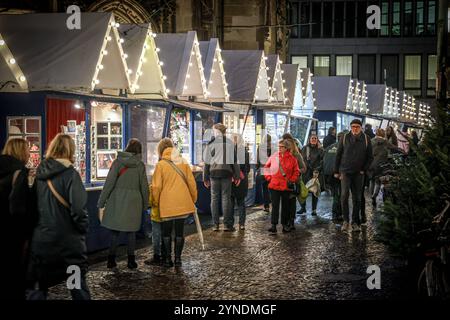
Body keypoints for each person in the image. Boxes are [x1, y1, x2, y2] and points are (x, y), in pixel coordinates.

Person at [29, 134, 90, 300]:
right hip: (68, 247)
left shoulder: (39, 175)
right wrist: (82, 229)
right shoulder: (71, 175)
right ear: (71, 150)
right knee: (76, 286)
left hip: (42, 243)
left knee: (39, 288)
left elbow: (32, 207)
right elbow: (78, 210)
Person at [98, 138, 149, 270]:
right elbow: (144, 187)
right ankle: (131, 261)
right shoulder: (140, 165)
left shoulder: (117, 163)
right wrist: (145, 205)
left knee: (115, 232)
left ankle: (111, 260)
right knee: (131, 233)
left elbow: (109, 184)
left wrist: (101, 202)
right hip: (134, 202)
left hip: (117, 200)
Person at [151, 138, 197, 267]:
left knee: (166, 232)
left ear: (160, 150)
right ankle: (178, 259)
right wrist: (193, 199)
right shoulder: (183, 162)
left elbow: (156, 187)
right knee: (179, 232)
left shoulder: (160, 165)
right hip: (182, 203)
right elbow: (192, 184)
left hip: (166, 205)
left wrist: (155, 201)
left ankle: (167, 259)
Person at [0, 138, 37, 299]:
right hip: (13, 232)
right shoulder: (19, 172)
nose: (29, 153)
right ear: (21, 151)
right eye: (27, 149)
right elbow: (19, 208)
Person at [334, 119, 373, 233]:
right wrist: (336, 171)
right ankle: (346, 221)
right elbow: (338, 154)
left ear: (361, 127)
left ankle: (355, 222)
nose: (355, 129)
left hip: (358, 174)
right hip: (345, 172)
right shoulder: (345, 137)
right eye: (353, 126)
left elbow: (370, 157)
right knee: (344, 196)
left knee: (357, 198)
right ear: (350, 127)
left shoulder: (366, 139)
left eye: (357, 126)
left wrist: (363, 169)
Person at [203, 123, 241, 231]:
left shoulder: (211, 144)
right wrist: (237, 176)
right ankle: (226, 224)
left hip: (214, 174)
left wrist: (205, 177)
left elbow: (206, 163)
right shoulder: (229, 143)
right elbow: (234, 161)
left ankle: (215, 225)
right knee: (226, 199)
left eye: (214, 130)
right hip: (226, 174)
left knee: (214, 199)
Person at [264, 139, 300, 233]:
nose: (279, 148)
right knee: (275, 206)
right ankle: (273, 225)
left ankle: (284, 225)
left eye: (282, 147)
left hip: (286, 186)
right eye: (279, 146)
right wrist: (269, 178)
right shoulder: (274, 156)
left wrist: (291, 180)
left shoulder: (292, 159)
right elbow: (266, 167)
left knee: (285, 207)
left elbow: (296, 171)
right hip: (274, 185)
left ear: (286, 148)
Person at [367, 128, 400, 207]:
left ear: (376, 134)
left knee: (371, 181)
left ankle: (372, 196)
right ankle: (374, 196)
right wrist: (403, 151)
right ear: (383, 134)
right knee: (378, 182)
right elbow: (394, 147)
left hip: (370, 165)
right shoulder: (385, 142)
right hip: (380, 165)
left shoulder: (371, 141)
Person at [282, 133, 307, 230]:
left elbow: (304, 168)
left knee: (291, 203)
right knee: (285, 203)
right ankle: (286, 222)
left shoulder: (296, 155)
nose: (285, 143)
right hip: (283, 183)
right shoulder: (280, 155)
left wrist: (295, 172)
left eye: (287, 141)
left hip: (293, 183)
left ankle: (291, 221)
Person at [322, 131, 347, 223]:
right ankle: (337, 214)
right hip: (338, 174)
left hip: (329, 175)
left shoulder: (330, 147)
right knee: (339, 195)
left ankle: (337, 213)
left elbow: (324, 160)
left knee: (336, 194)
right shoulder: (344, 148)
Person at [300, 135, 324, 216]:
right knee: (304, 191)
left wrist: (317, 169)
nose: (313, 140)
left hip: (315, 173)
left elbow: (323, 160)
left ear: (317, 140)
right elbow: (303, 159)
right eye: (312, 138)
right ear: (309, 140)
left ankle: (314, 209)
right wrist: (309, 168)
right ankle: (303, 208)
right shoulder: (305, 148)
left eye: (315, 138)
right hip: (306, 173)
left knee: (315, 191)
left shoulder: (320, 149)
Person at [231, 134, 250, 230]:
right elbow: (247, 167)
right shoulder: (245, 151)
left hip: (232, 179)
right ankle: (241, 224)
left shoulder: (230, 151)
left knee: (230, 202)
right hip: (242, 179)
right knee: (241, 202)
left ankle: (230, 224)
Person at [257, 134, 272, 212]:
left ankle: (266, 206)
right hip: (271, 170)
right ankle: (273, 203)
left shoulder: (260, 147)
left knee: (264, 188)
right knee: (272, 188)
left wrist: (257, 168)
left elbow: (258, 160)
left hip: (263, 169)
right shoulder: (273, 148)